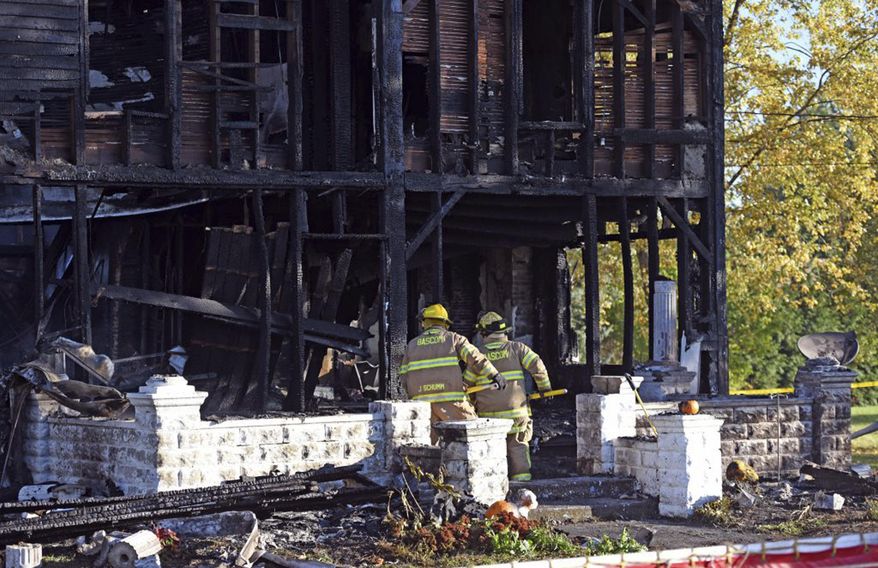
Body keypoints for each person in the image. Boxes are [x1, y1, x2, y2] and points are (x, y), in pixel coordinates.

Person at [401, 304, 507, 443]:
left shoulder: (411, 345)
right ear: (445, 323)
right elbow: (475, 358)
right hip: (452, 403)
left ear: (424, 323)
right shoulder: (454, 339)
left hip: (422, 406)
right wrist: (494, 375)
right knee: (473, 439)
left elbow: (403, 377)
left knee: (428, 448)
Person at [466, 311, 551, 481]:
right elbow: (537, 365)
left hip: (488, 417)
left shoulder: (478, 356)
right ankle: (522, 482)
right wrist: (545, 389)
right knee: (518, 446)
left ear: (483, 334)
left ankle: (495, 484)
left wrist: (471, 406)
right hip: (516, 413)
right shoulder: (517, 348)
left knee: (492, 450)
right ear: (505, 332)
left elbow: (467, 386)